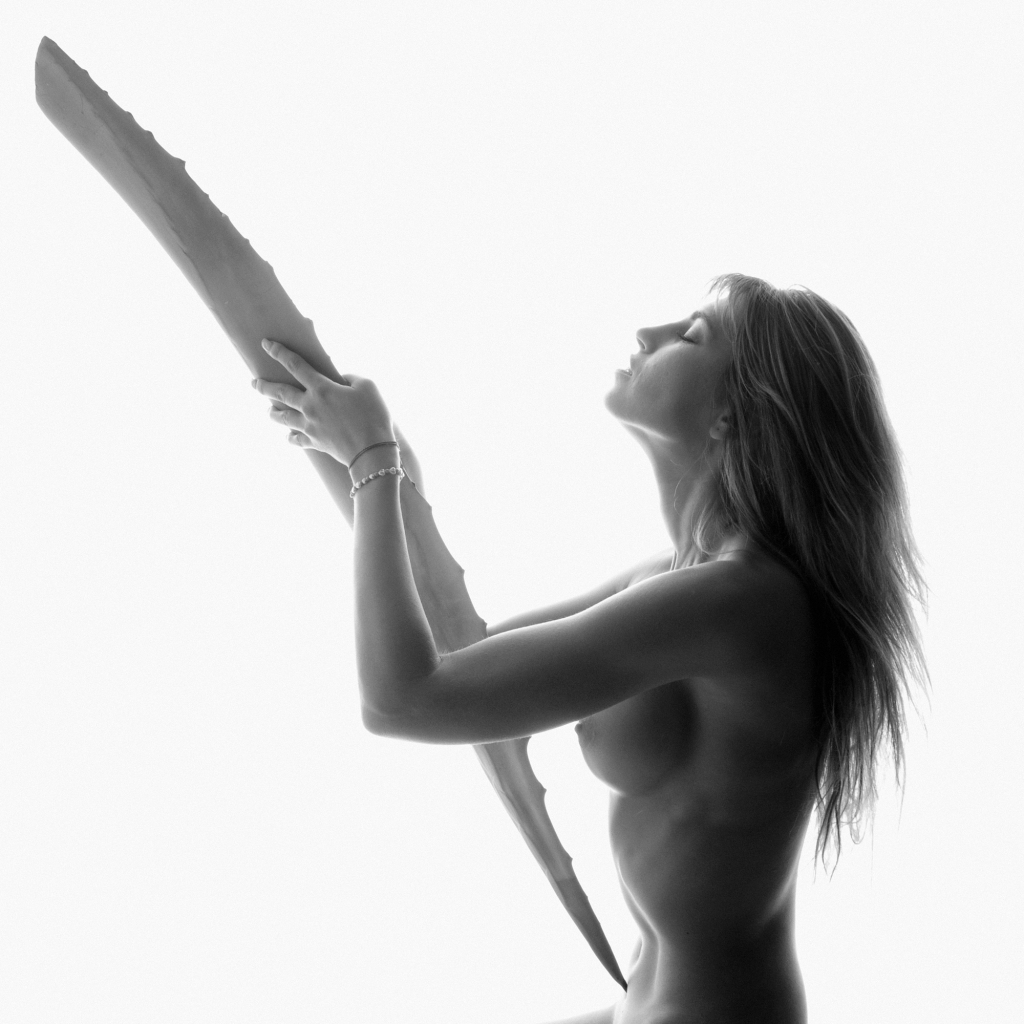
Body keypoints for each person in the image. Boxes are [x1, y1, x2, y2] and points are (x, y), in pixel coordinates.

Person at [251, 273, 926, 1024]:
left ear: (733, 415)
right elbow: (468, 662)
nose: (648, 333)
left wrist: (373, 466)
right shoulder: (678, 581)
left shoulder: (739, 603)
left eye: (691, 335)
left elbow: (403, 701)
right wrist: (390, 469)